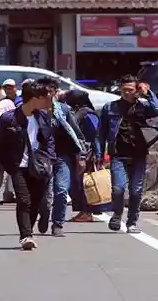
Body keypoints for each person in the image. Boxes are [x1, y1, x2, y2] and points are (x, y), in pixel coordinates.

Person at [0, 81, 54, 250]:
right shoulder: (9, 118)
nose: (47, 100)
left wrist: (50, 159)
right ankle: (26, 236)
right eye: (44, 97)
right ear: (33, 99)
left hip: (39, 165)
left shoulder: (43, 117)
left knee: (36, 201)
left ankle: (29, 229)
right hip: (17, 166)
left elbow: (50, 140)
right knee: (24, 200)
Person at [98, 74, 158, 233]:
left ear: (137, 90)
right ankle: (117, 214)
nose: (127, 93)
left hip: (138, 154)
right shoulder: (110, 108)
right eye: (124, 90)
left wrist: (148, 93)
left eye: (131, 90)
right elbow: (101, 133)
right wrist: (99, 154)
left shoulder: (144, 107)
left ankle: (132, 223)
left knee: (135, 191)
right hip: (118, 155)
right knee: (118, 189)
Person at [36, 77, 86, 237]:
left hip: (62, 156)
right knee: (43, 194)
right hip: (41, 158)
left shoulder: (63, 110)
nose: (47, 96)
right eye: (43, 93)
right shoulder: (33, 111)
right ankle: (43, 214)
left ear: (55, 93)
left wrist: (81, 156)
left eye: (50, 92)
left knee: (61, 190)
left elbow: (76, 135)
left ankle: (58, 224)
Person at [63, 89, 107, 222]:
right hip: (76, 153)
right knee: (77, 183)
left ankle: (87, 211)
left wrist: (99, 155)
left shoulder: (88, 114)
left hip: (86, 154)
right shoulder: (77, 113)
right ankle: (85, 211)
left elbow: (96, 135)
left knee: (85, 183)